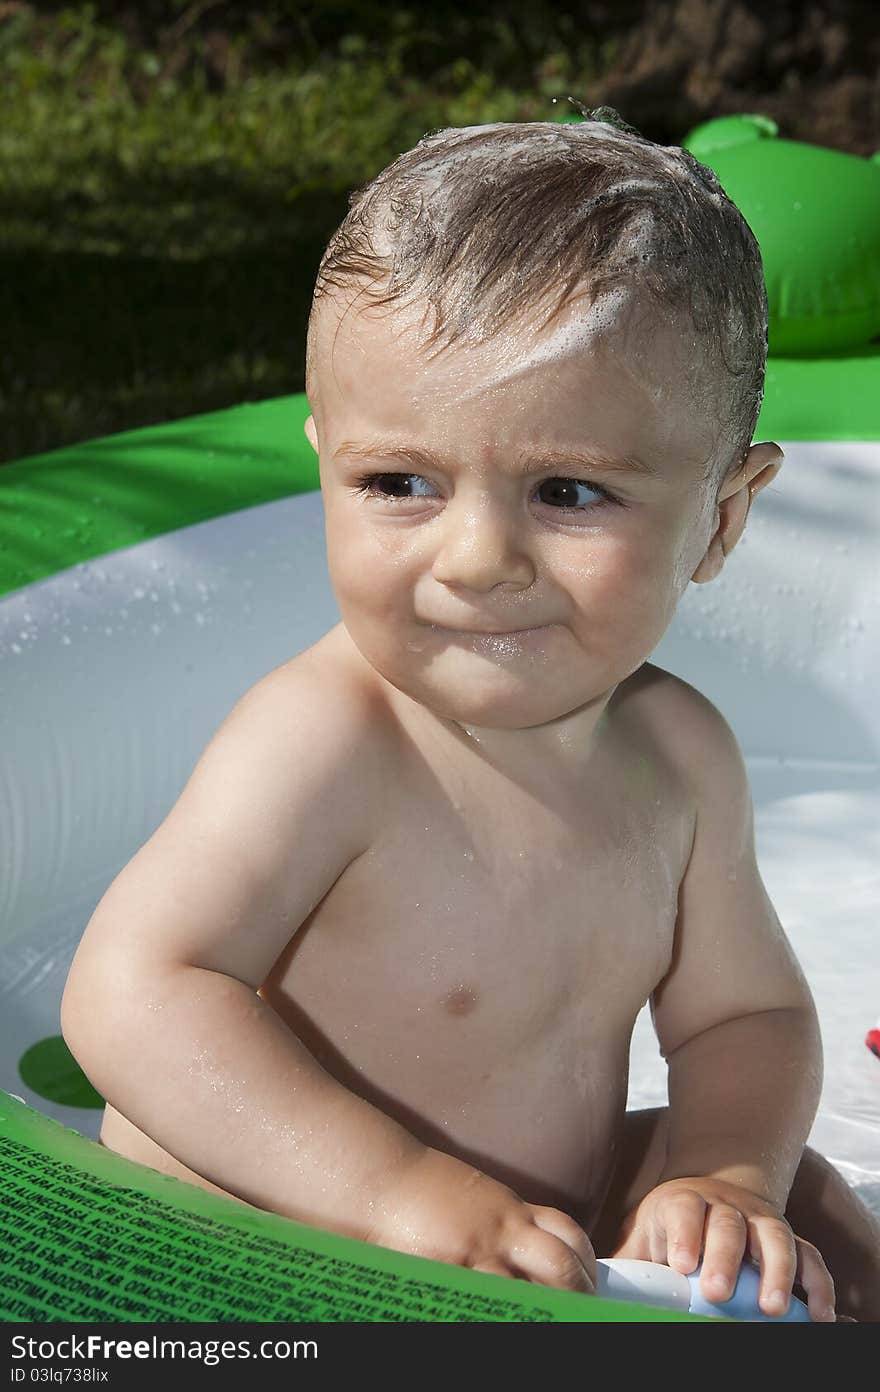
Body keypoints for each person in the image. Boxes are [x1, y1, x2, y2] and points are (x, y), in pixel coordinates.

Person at [62, 108, 880, 1321]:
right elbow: (136, 989)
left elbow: (745, 1015)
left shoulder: (680, 756)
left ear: (721, 516)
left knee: (806, 1217)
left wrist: (720, 1176)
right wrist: (397, 1193)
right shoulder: (332, 736)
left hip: (536, 1231)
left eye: (567, 491)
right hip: (272, 1237)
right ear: (324, 459)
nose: (478, 557)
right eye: (399, 483)